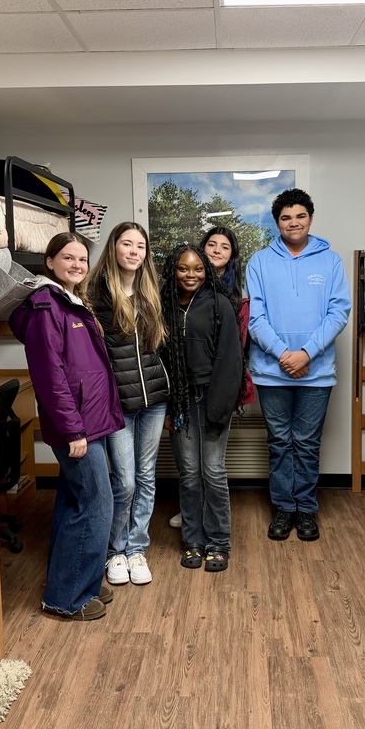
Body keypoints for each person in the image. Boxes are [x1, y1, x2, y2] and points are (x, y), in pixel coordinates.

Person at [8, 232, 123, 620]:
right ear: (50, 262)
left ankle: (78, 581)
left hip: (91, 419)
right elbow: (50, 376)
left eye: (82, 259)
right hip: (77, 426)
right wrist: (73, 430)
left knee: (74, 501)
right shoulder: (46, 307)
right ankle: (67, 598)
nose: (77, 265)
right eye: (68, 258)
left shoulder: (69, 302)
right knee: (97, 505)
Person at [246, 189, 351, 542]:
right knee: (279, 442)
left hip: (316, 371)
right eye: (286, 217)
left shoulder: (330, 261)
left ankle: (306, 509)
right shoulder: (259, 262)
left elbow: (339, 312)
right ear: (277, 223)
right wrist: (284, 355)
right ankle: (283, 507)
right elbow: (255, 317)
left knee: (306, 443)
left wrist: (306, 353)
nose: (294, 223)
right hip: (270, 371)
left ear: (310, 218)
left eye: (300, 216)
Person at [82, 222, 168, 586]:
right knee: (126, 481)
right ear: (114, 248)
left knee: (147, 477)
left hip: (155, 399)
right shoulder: (95, 294)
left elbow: (161, 347)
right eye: (127, 244)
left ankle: (137, 549)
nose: (134, 251)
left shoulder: (151, 292)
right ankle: (115, 551)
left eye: (140, 246)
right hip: (119, 404)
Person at [161, 243, 243, 572]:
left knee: (213, 471)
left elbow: (231, 359)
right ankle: (193, 540)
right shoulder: (165, 304)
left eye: (197, 268)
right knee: (189, 473)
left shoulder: (219, 302)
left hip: (212, 397)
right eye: (183, 268)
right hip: (179, 400)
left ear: (206, 271)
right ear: (173, 270)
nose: (190, 275)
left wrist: (219, 408)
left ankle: (219, 542)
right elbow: (161, 359)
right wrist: (168, 408)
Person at [168, 225, 254, 530]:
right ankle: (193, 520)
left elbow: (232, 353)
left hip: (217, 386)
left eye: (224, 247)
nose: (217, 250)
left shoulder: (229, 299)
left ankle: (216, 529)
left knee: (212, 466)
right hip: (183, 391)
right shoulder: (173, 298)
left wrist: (222, 397)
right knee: (189, 466)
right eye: (212, 244)